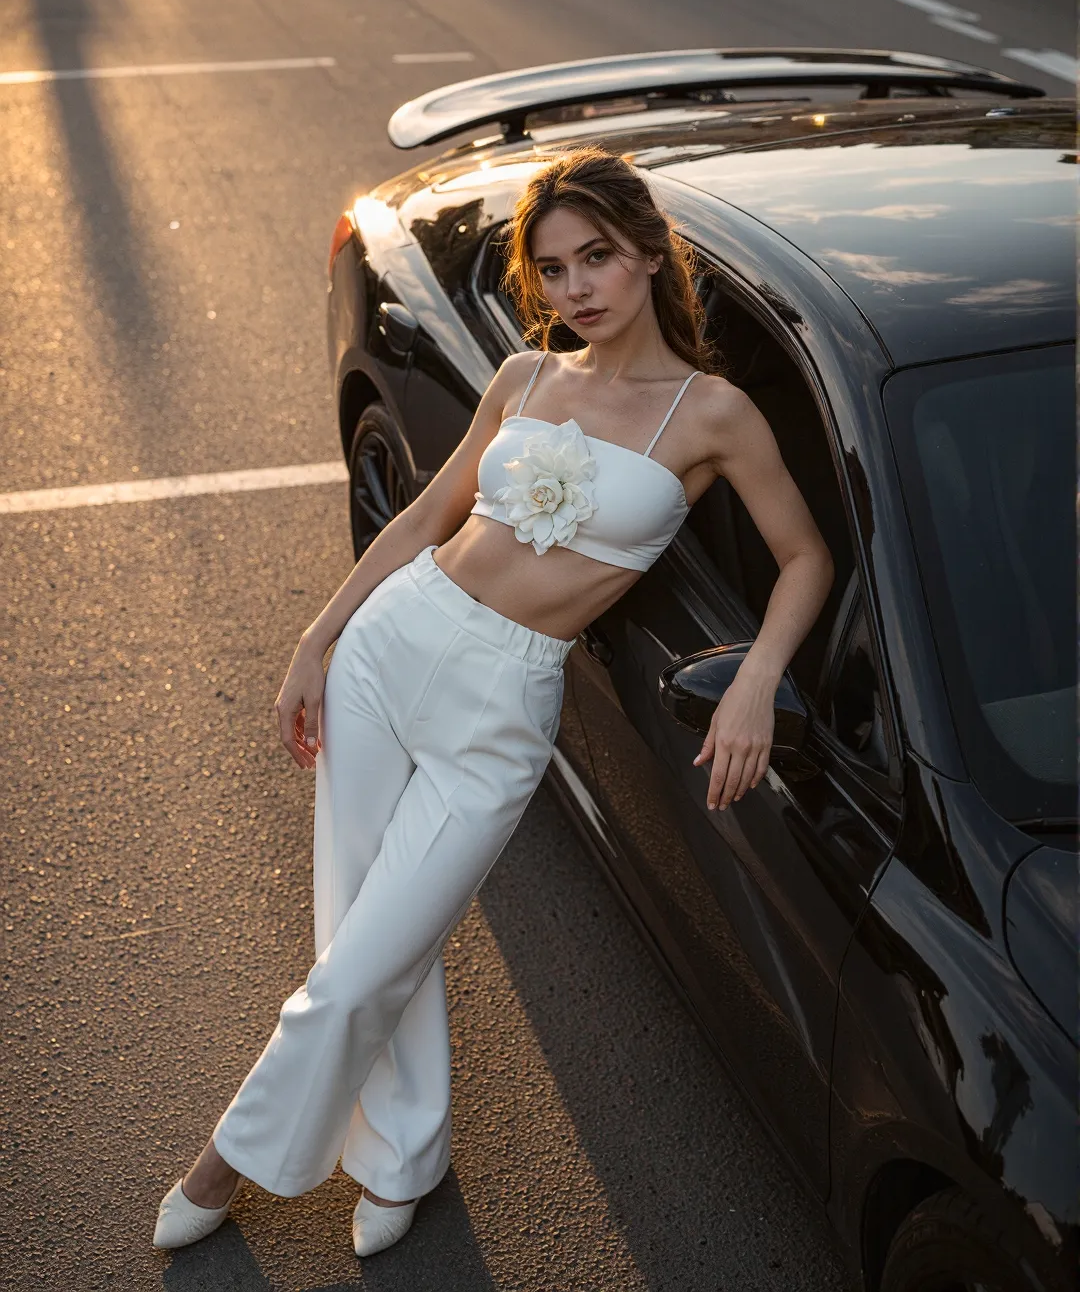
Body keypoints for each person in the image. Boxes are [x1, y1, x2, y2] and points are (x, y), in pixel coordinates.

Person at [153, 145, 835, 1258]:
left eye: (599, 258)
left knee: (378, 949)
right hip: (394, 644)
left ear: (650, 256)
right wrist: (319, 637)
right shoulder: (526, 378)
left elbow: (803, 557)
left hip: (506, 695)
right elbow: (426, 517)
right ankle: (404, 1155)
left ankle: (226, 1159)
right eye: (557, 268)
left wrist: (757, 675)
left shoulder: (712, 415)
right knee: (361, 932)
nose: (578, 289)